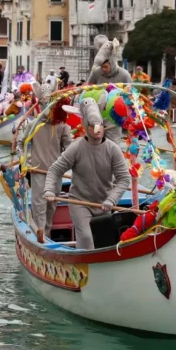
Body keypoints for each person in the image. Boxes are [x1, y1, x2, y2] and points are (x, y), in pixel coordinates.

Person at [43, 99, 132, 250]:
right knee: (86, 237)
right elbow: (55, 170)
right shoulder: (76, 147)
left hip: (104, 203)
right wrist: (49, 190)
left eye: (100, 126)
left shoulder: (113, 149)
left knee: (104, 241)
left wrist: (112, 199)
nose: (97, 130)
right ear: (85, 126)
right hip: (79, 202)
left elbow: (124, 178)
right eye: (92, 126)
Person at [23, 87, 73, 243]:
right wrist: (25, 161)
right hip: (37, 170)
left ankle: (47, 234)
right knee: (39, 204)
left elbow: (69, 148)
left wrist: (67, 162)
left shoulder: (62, 125)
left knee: (51, 204)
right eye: (44, 102)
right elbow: (21, 143)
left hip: (55, 172)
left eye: (49, 102)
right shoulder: (33, 124)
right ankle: (41, 235)